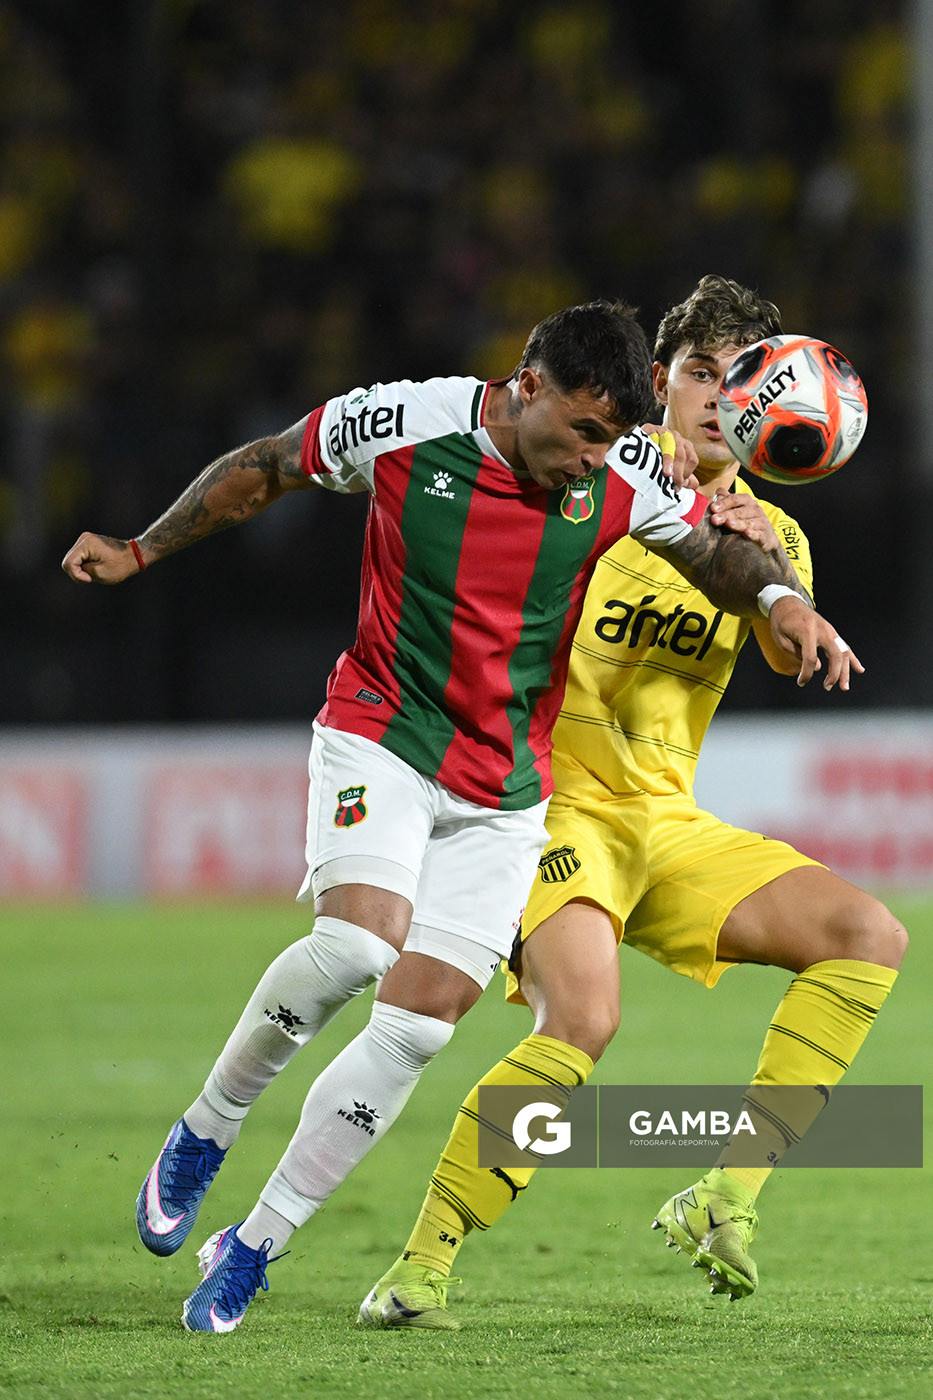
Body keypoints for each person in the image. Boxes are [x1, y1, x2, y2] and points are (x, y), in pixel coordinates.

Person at [62, 297, 857, 1335]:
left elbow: (720, 557)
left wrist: (782, 598)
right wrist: (142, 549)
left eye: (610, 439)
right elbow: (266, 465)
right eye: (582, 431)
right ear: (527, 386)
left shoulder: (630, 471)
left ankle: (256, 1244)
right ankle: (207, 1129)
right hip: (386, 733)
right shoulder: (404, 421)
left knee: (417, 1027)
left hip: (509, 785)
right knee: (359, 946)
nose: (592, 458)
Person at [358, 276, 904, 1331]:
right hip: (553, 803)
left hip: (666, 820)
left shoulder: (772, 537)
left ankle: (724, 1195)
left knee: (867, 936)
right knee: (583, 1019)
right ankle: (421, 1267)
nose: (720, 399)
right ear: (658, 380)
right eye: (701, 373)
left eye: (744, 380)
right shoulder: (588, 478)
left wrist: (759, 557)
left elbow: (789, 649)